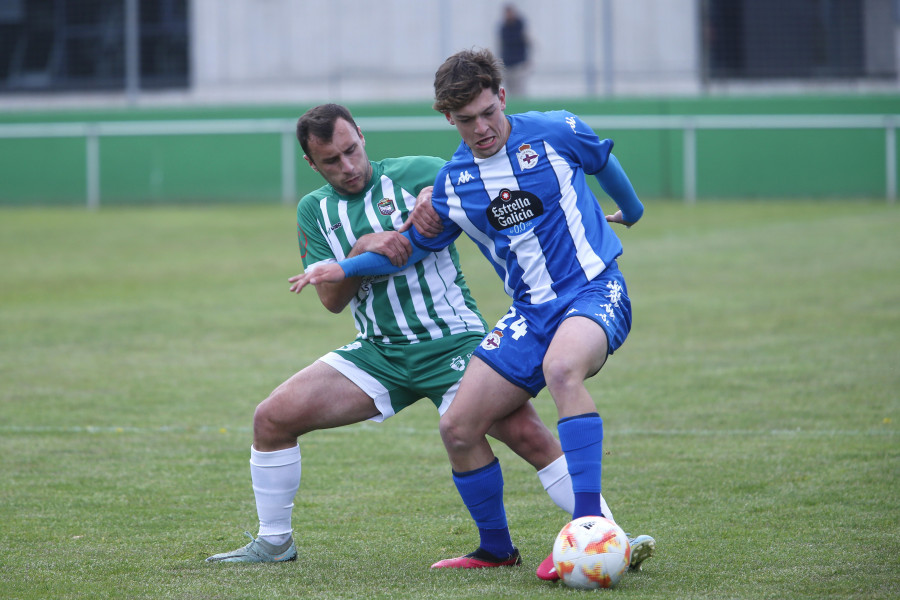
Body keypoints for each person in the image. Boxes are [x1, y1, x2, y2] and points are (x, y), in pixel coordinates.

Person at [205, 103, 622, 569]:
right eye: (331, 161)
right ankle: (275, 541)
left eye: (351, 150)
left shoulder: (422, 171)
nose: (347, 167)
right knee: (271, 419)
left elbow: (489, 187)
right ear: (311, 163)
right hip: (378, 353)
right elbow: (331, 300)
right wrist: (362, 247)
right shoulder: (314, 211)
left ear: (362, 135)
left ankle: (605, 535)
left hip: (454, 343)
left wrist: (432, 193)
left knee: (528, 435)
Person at [288, 60, 656, 578]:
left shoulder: (554, 129)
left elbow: (601, 158)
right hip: (530, 313)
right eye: (466, 119)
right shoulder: (455, 184)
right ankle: (495, 549)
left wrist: (632, 209)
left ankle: (589, 527)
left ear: (502, 96)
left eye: (488, 112)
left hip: (595, 289)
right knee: (457, 426)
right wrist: (342, 266)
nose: (481, 128)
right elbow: (408, 249)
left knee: (561, 370)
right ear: (448, 118)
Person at [498, 4, 530, 96]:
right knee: (510, 90)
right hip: (507, 64)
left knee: (520, 90)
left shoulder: (520, 26)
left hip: (519, 64)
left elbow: (527, 42)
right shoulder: (503, 28)